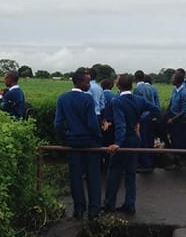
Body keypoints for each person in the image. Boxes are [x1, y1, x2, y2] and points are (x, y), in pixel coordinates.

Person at [103, 74, 161, 215]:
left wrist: (118, 143)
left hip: (124, 141)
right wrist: (140, 120)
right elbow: (156, 110)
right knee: (130, 173)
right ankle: (130, 204)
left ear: (118, 85)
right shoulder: (139, 100)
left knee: (114, 173)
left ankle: (109, 205)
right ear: (131, 85)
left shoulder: (117, 102)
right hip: (135, 139)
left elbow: (121, 124)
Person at [54, 68, 102, 220]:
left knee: (76, 177)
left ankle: (79, 209)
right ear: (80, 82)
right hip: (89, 143)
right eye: (87, 82)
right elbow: (93, 124)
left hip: (72, 143)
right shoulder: (87, 99)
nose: (89, 84)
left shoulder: (63, 99)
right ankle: (94, 210)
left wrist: (64, 138)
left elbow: (58, 124)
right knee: (93, 177)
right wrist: (98, 138)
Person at [133, 70, 159, 172]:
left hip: (143, 118)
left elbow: (137, 105)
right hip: (152, 117)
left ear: (135, 78)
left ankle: (146, 165)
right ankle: (151, 163)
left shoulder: (137, 89)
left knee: (143, 141)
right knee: (150, 140)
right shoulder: (151, 88)